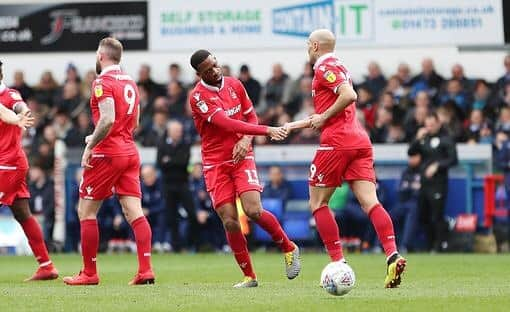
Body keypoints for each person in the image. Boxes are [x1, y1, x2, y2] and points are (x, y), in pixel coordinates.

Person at [289, 29, 406, 288]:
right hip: (359, 140)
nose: (307, 48)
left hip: (336, 143)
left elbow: (349, 95)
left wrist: (322, 117)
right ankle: (392, 254)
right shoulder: (339, 64)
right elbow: (328, 113)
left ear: (316, 45)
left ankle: (338, 263)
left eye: (309, 44)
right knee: (370, 202)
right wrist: (291, 126)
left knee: (318, 203)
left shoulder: (324, 67)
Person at [188, 49, 300, 288]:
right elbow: (226, 123)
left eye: (215, 64)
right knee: (229, 220)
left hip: (242, 156)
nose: (215, 70)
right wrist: (267, 131)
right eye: (208, 70)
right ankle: (249, 276)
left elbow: (251, 118)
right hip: (216, 163)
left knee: (253, 210)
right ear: (199, 74)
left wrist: (246, 140)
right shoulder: (197, 97)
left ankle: (289, 248)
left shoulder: (235, 85)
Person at [63, 38, 154, 286]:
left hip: (107, 154)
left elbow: (107, 119)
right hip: (129, 151)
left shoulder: (101, 82)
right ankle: (146, 270)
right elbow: (133, 123)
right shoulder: (131, 82)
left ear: (102, 56)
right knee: (133, 210)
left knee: (86, 211)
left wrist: (91, 145)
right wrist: (105, 135)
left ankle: (89, 273)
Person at [0, 60, 59, 281]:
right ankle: (46, 266)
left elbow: (16, 108)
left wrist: (21, 115)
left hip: (8, 164)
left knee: (22, 213)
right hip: (10, 164)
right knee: (22, 212)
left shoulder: (10, 95)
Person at [408, 112, 458, 252]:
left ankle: (440, 245)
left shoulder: (446, 139)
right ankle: (429, 245)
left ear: (438, 124)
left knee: (437, 216)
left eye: (432, 124)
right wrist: (417, 138)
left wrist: (438, 165)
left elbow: (454, 159)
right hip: (424, 184)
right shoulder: (423, 139)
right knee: (424, 216)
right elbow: (411, 152)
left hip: (438, 183)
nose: (429, 128)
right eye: (427, 125)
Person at [156, 120, 199, 252]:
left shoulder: (185, 144)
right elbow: (160, 164)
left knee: (192, 214)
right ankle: (176, 247)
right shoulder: (162, 144)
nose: (178, 133)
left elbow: (183, 162)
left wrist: (169, 160)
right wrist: (174, 161)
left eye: (179, 131)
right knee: (171, 217)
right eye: (176, 131)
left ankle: (192, 244)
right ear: (169, 131)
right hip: (168, 185)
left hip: (183, 184)